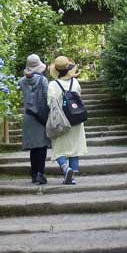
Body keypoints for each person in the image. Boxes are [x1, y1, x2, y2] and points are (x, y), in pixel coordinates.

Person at [47, 55, 87, 185]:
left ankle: (65, 168)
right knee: (74, 147)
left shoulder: (53, 85)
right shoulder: (75, 83)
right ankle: (72, 176)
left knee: (58, 147)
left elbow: (50, 103)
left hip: (61, 121)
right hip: (76, 118)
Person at [18, 54, 50, 185]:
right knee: (42, 146)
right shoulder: (43, 80)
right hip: (41, 116)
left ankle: (33, 173)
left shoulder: (22, 81)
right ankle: (39, 174)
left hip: (29, 116)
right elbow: (48, 96)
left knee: (33, 147)